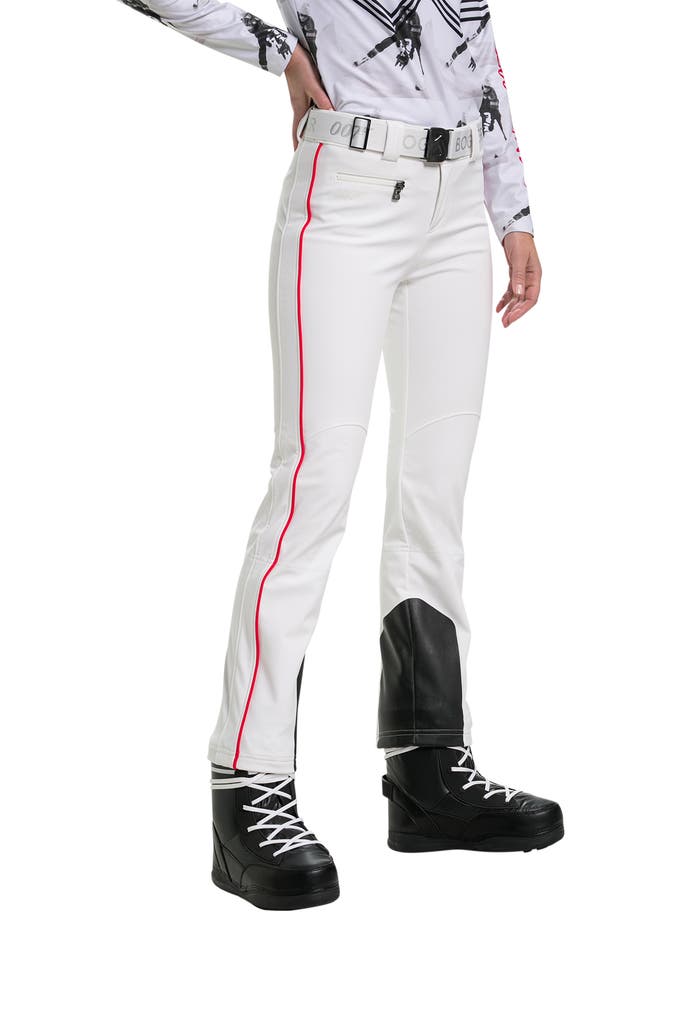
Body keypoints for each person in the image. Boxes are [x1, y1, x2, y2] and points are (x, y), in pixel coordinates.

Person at [118, 0, 563, 911]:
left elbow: (473, 34)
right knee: (311, 491)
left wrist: (510, 206)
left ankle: (429, 767)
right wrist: (278, 48)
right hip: (348, 194)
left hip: (455, 205)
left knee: (434, 500)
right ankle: (247, 790)